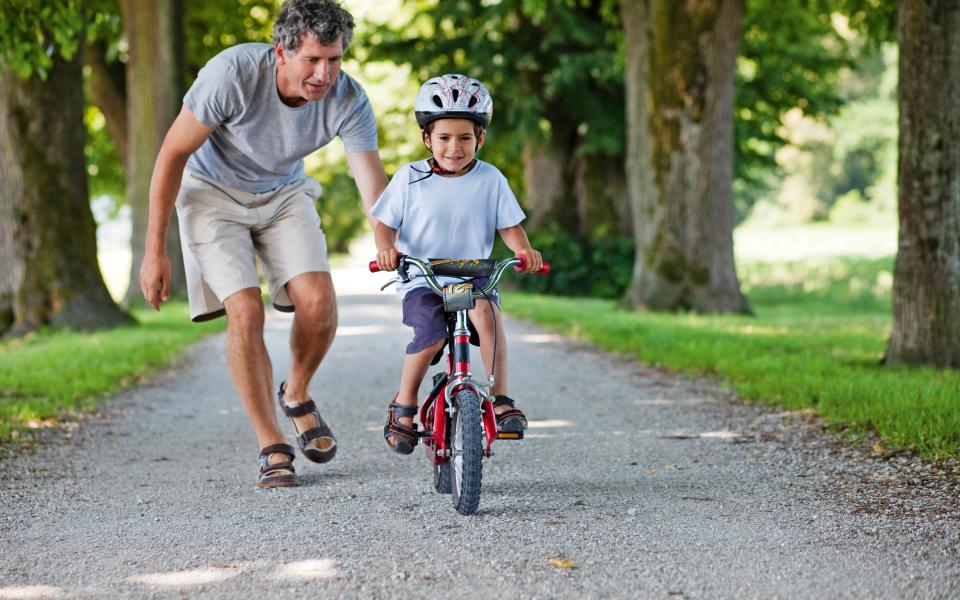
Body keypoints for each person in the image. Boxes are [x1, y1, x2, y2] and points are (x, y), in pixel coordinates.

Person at [139, 0, 388, 488]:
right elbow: (172, 154)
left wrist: (386, 241)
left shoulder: (349, 99)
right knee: (246, 311)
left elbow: (371, 183)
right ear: (281, 52)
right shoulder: (231, 74)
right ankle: (270, 442)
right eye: (312, 60)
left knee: (319, 304)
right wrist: (154, 250)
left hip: (282, 194)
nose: (324, 74)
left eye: (334, 60)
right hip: (211, 194)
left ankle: (296, 393)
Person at [371, 74, 542, 454]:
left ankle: (500, 399)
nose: (454, 147)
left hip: (473, 276)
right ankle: (404, 405)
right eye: (444, 138)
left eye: (465, 138)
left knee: (488, 314)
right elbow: (384, 228)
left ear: (480, 138)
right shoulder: (409, 178)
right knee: (430, 335)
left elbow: (510, 228)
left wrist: (525, 251)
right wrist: (386, 250)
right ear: (427, 139)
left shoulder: (490, 179)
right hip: (423, 277)